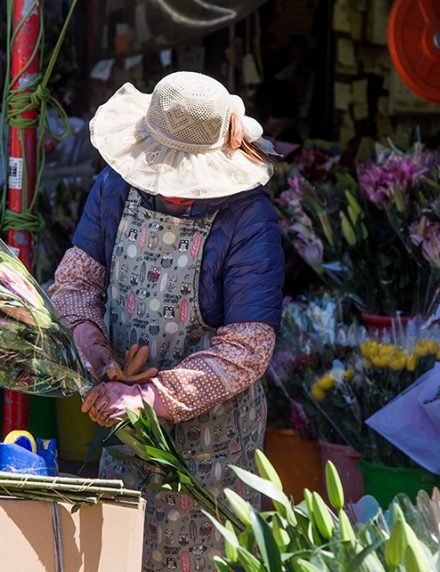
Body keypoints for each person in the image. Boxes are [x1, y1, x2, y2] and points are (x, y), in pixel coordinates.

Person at [49, 71, 284, 571]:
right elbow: (75, 285)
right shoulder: (115, 187)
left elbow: (248, 348)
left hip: (213, 446)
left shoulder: (249, 219)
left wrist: (148, 398)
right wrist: (96, 353)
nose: (174, 193)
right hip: (129, 435)